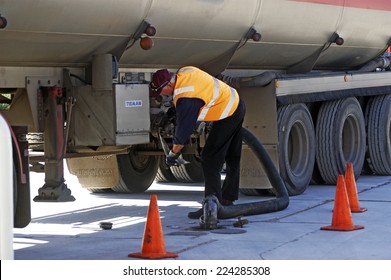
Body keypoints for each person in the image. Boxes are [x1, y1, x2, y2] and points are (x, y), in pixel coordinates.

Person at [150, 66, 246, 219]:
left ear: (168, 85)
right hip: (235, 101)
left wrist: (173, 154)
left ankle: (212, 204)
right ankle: (227, 199)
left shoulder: (185, 97)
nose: (161, 96)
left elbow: (183, 134)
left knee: (210, 158)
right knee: (232, 155)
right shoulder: (184, 72)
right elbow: (200, 91)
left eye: (161, 92)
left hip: (228, 112)